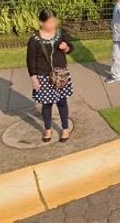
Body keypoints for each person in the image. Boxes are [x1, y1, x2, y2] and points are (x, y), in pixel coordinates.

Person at [26, 10, 73, 143]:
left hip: (60, 75)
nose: (53, 24)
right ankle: (48, 129)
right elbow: (30, 60)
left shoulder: (60, 34)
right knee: (47, 104)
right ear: (41, 23)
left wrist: (66, 48)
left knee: (62, 101)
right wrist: (33, 77)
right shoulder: (34, 40)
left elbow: (71, 48)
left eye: (54, 21)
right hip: (43, 76)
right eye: (50, 22)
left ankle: (65, 128)